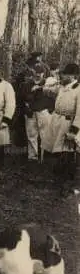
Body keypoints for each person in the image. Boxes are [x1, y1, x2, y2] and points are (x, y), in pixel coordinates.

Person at [42, 63, 80, 197]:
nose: (61, 76)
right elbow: (46, 91)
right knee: (57, 153)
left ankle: (67, 186)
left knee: (67, 155)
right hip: (57, 121)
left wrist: (74, 131)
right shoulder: (62, 87)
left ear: (73, 76)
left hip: (68, 123)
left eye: (64, 74)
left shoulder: (78, 89)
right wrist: (48, 84)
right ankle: (59, 182)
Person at [21, 58, 56, 162]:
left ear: (43, 74)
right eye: (36, 72)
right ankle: (33, 156)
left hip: (43, 111)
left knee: (45, 134)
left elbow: (54, 98)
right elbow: (22, 98)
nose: (38, 75)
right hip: (31, 112)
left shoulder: (48, 85)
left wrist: (50, 109)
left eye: (40, 73)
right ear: (33, 73)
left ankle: (44, 156)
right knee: (31, 134)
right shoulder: (27, 84)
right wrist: (26, 107)